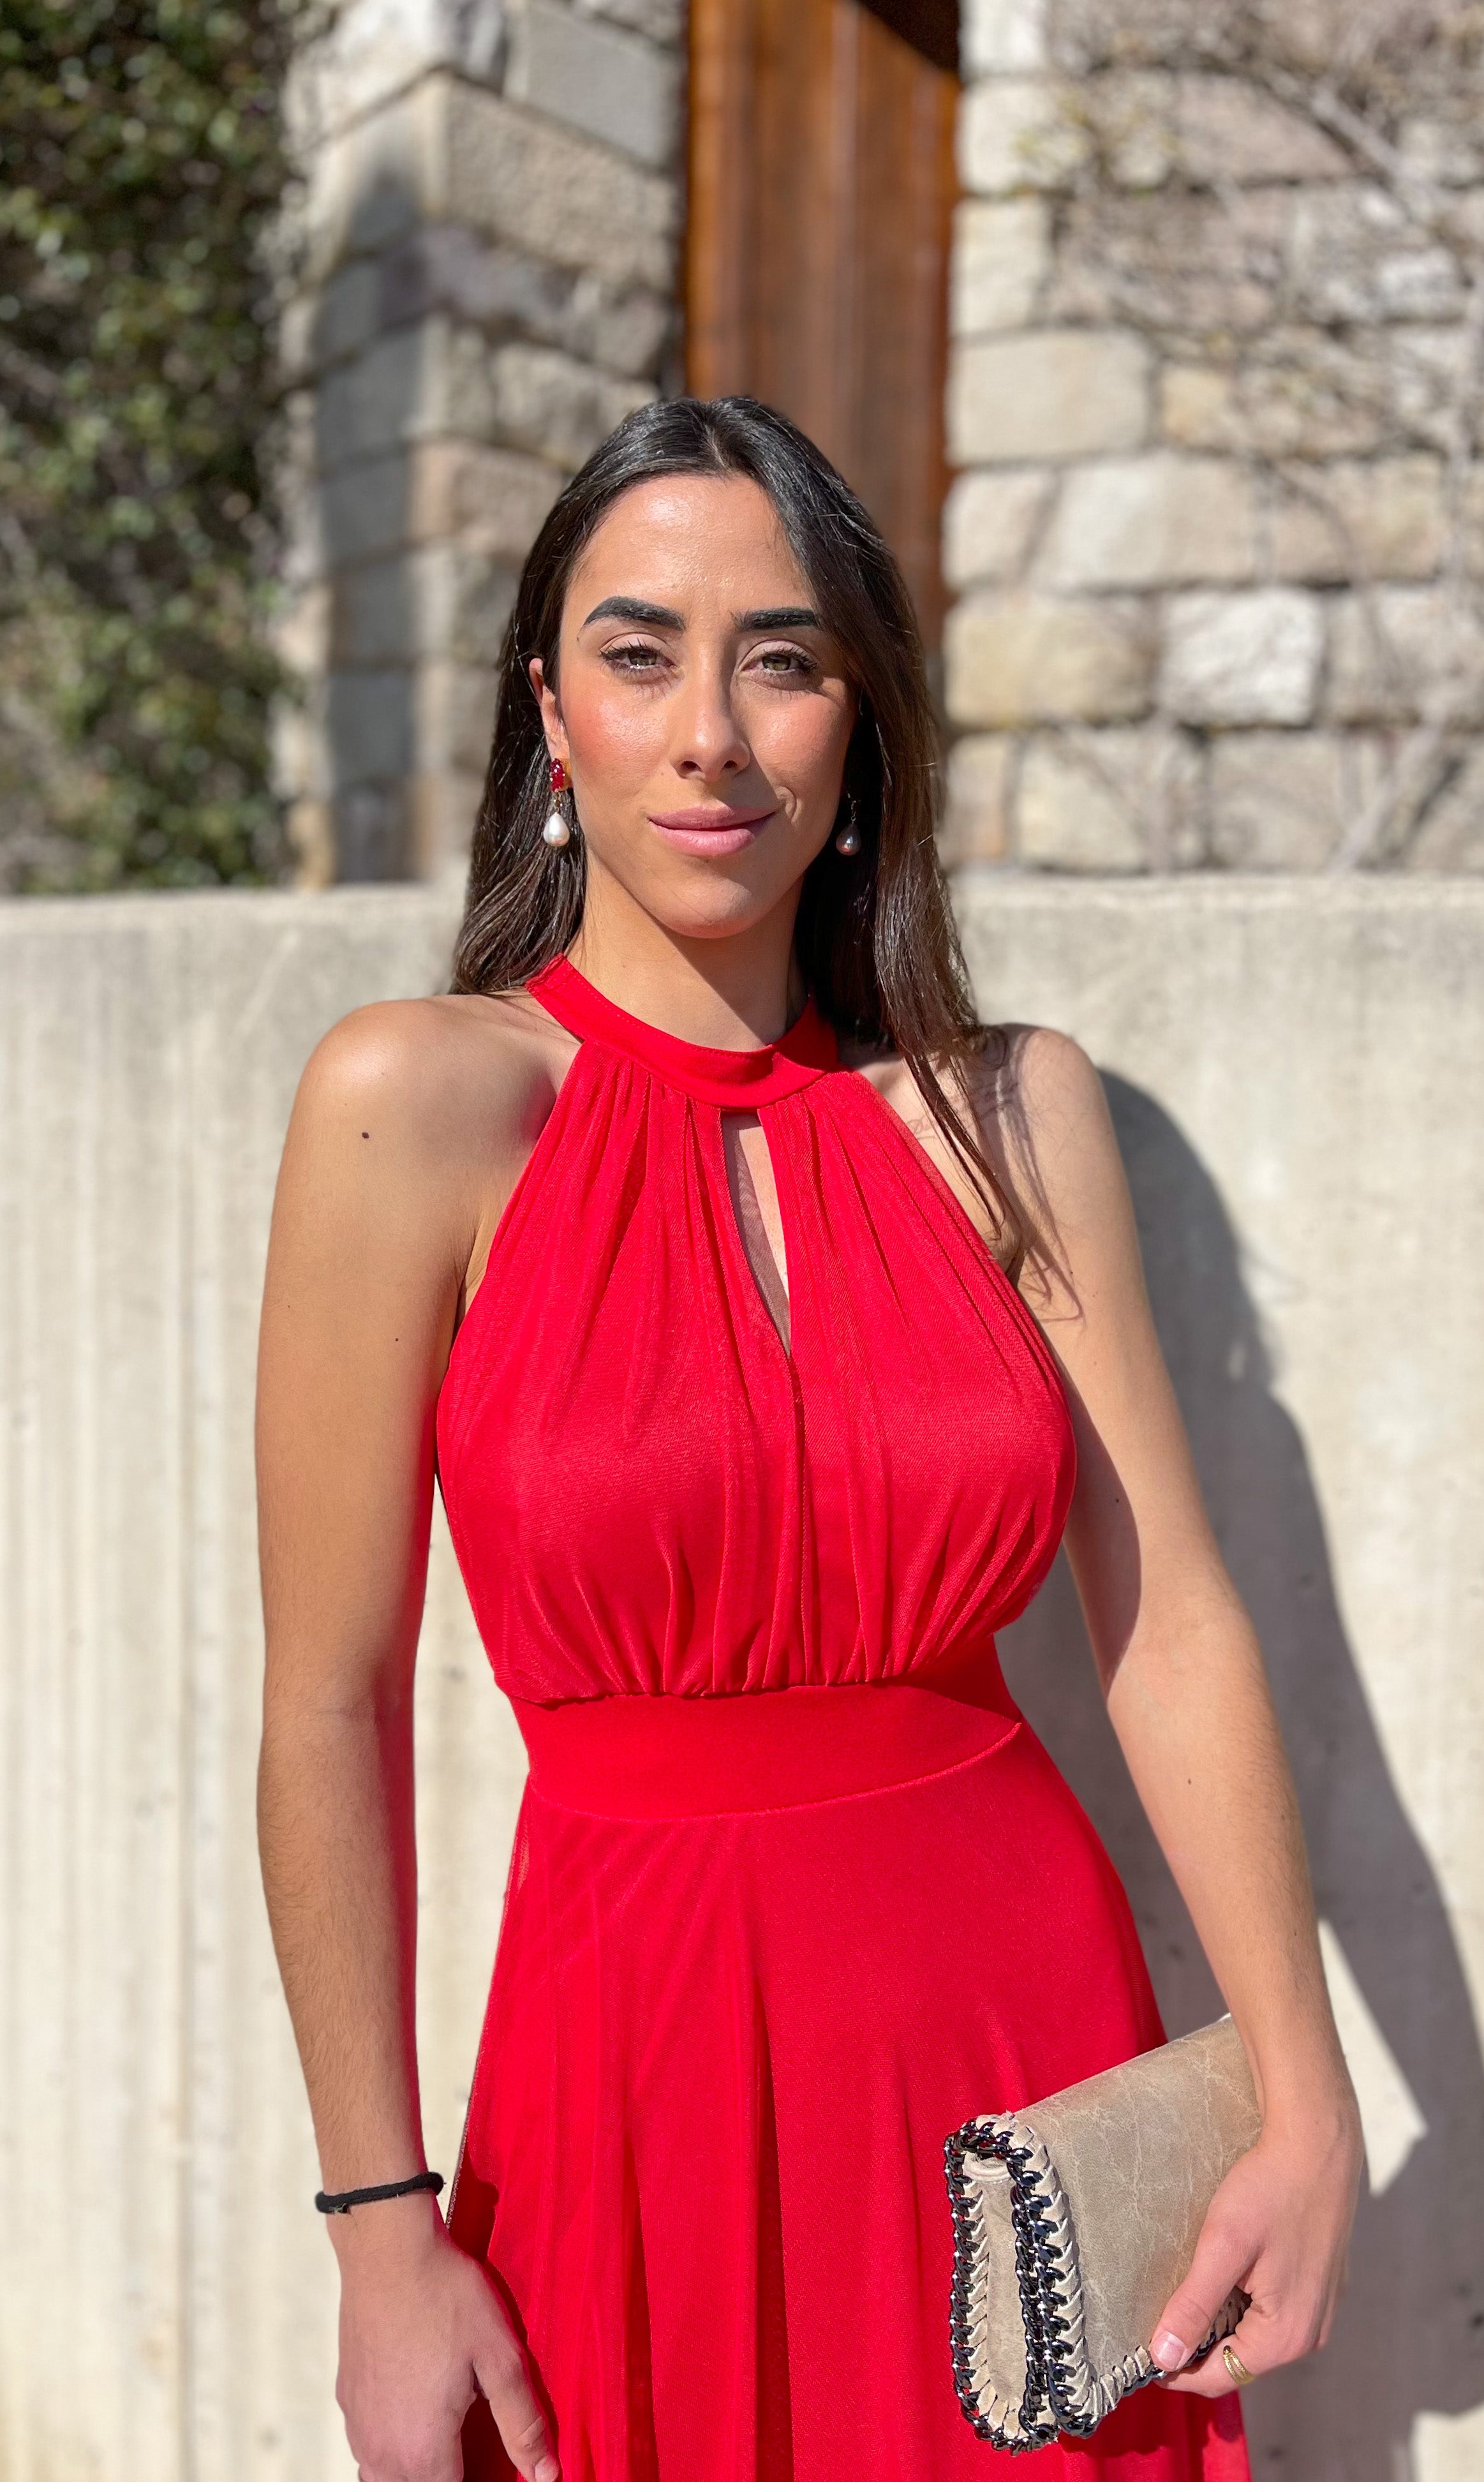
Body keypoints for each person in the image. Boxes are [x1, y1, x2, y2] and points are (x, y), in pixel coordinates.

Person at [255, 396, 1362, 2482]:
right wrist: (378, 2230)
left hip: (1012, 2048)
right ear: (550, 714)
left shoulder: (1015, 1112)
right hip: (628, 2061)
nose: (712, 731)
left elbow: (1175, 1621)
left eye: (784, 655)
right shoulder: (414, 1101)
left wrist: (1311, 2100)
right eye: (641, 648)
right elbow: (329, 1699)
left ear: (859, 727)